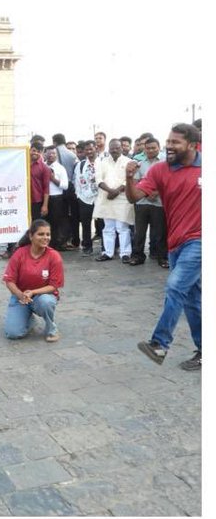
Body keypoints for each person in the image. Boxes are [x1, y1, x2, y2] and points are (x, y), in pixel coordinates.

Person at [124, 123, 201, 370]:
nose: (169, 146)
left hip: (200, 241)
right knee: (191, 300)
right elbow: (134, 197)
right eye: (168, 141)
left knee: (175, 287)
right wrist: (128, 177)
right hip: (176, 242)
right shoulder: (159, 170)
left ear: (191, 144)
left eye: (175, 142)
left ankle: (160, 344)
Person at [2, 219, 63, 343]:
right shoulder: (19, 254)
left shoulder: (54, 256)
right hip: (21, 297)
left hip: (43, 296)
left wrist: (32, 292)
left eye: (48, 234)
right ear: (31, 236)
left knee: (45, 302)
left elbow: (54, 285)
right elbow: (9, 280)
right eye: (41, 234)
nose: (45, 237)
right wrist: (21, 295)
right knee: (13, 333)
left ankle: (51, 328)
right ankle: (28, 318)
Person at [94, 138, 135, 261]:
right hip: (107, 198)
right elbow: (98, 179)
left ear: (122, 148)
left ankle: (125, 253)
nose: (115, 150)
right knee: (108, 228)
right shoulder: (102, 162)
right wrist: (110, 191)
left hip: (122, 198)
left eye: (117, 148)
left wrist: (116, 191)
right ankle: (108, 253)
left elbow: (128, 180)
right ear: (109, 149)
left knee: (122, 227)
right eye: (112, 148)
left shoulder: (129, 162)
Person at [129, 137, 167, 267]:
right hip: (142, 202)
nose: (150, 150)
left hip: (159, 202)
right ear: (144, 149)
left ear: (159, 147)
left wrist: (155, 192)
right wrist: (146, 192)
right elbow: (135, 182)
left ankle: (162, 257)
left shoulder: (165, 162)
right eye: (148, 148)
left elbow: (167, 182)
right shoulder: (139, 163)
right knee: (139, 232)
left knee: (160, 232)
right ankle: (137, 256)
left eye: (153, 148)